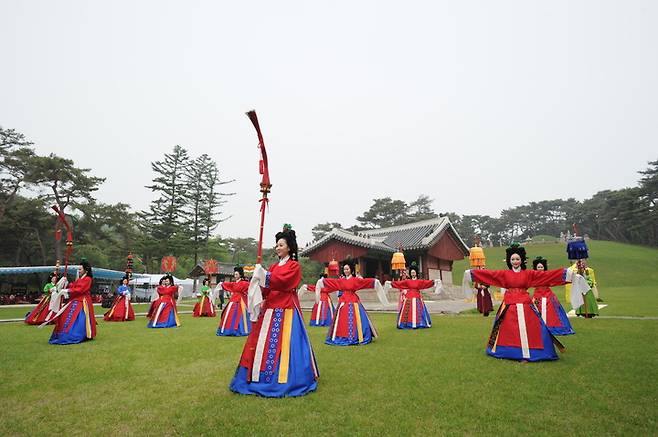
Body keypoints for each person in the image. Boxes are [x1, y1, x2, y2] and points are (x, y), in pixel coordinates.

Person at [230, 225, 319, 397]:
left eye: (281, 245)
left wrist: (263, 275)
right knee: (262, 342)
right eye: (277, 245)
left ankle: (288, 378)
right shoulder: (272, 267)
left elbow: (284, 282)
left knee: (285, 345)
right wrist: (256, 284)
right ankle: (258, 376)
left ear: (289, 248)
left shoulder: (294, 266)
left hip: (286, 308)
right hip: (270, 308)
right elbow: (267, 288)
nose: (277, 248)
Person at [462, 244, 589, 362]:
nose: (515, 261)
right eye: (513, 259)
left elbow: (546, 276)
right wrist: (472, 274)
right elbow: (490, 275)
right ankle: (507, 351)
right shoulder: (504, 274)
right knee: (508, 330)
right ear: (509, 261)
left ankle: (533, 352)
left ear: (521, 260)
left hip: (525, 304)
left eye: (517, 259)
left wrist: (567, 274)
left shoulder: (529, 274)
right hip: (509, 306)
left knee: (533, 328)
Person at [316, 259, 388, 346]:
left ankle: (358, 336)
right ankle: (341, 335)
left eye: (348, 269)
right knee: (342, 321)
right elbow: (333, 283)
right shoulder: (341, 280)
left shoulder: (355, 280)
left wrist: (374, 281)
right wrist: (323, 281)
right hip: (343, 302)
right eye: (345, 269)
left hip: (353, 302)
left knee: (357, 320)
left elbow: (364, 282)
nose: (346, 271)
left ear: (351, 270)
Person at [48, 261, 97, 345]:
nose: (79, 270)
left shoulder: (88, 279)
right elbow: (74, 285)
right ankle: (64, 333)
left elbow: (80, 289)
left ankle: (77, 334)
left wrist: (68, 290)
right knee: (67, 315)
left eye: (80, 269)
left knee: (78, 317)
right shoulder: (81, 279)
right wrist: (66, 283)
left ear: (86, 270)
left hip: (82, 301)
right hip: (76, 299)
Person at [386, 265, 440, 329]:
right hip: (409, 298)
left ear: (416, 273)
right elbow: (400, 283)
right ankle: (407, 323)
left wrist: (434, 281)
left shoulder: (419, 281)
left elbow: (426, 283)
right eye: (411, 273)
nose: (413, 274)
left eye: (414, 272)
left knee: (418, 311)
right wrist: (391, 283)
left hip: (417, 297)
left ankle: (419, 323)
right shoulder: (407, 281)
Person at [530, 257, 575, 335]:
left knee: (551, 313)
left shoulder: (548, 275)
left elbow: (557, 275)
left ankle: (551, 328)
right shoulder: (532, 276)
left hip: (547, 296)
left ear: (544, 267)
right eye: (538, 267)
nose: (540, 268)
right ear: (535, 268)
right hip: (537, 296)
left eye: (541, 267)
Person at [216, 267, 251, 336]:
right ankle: (228, 329)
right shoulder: (234, 283)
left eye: (236, 274)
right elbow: (228, 284)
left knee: (240, 315)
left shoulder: (244, 283)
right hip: (233, 300)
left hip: (240, 301)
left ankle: (240, 330)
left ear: (240, 275)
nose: (235, 276)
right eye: (234, 274)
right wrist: (221, 284)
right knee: (230, 314)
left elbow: (250, 287)